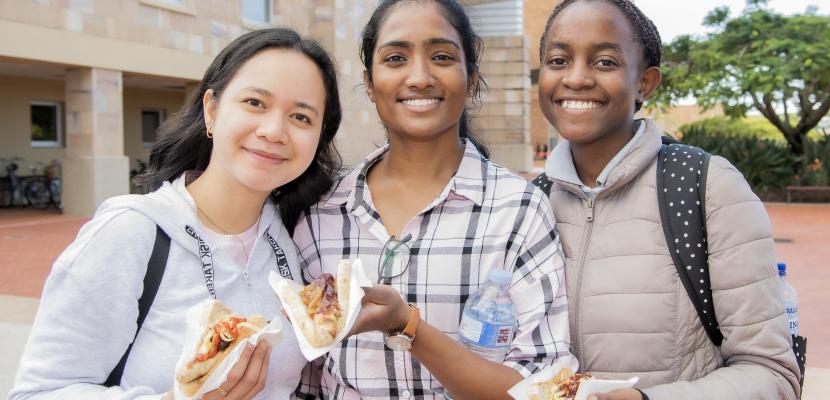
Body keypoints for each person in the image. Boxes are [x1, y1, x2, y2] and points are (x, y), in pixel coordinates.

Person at [10, 28, 342, 399]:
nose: (274, 130)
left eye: (301, 117)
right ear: (212, 110)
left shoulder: (292, 239)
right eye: (254, 102)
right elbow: (38, 392)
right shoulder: (131, 234)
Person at [292, 0, 570, 398]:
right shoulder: (321, 214)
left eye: (441, 56)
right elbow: (307, 380)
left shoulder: (518, 210)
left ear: (471, 78)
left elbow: (543, 388)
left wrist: (408, 325)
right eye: (395, 58)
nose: (419, 76)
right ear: (369, 82)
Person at [532, 1, 801, 399]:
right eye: (558, 59)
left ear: (645, 82)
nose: (576, 77)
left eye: (604, 62)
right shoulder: (530, 203)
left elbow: (772, 374)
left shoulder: (705, 186)